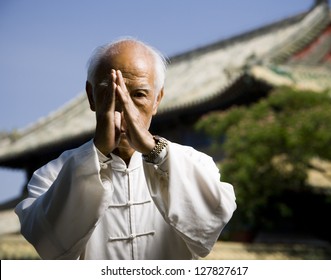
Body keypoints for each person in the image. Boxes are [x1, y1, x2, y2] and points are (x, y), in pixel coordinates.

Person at [15, 38, 236, 260]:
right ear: (91, 97)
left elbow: (211, 222)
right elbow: (48, 244)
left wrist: (155, 150)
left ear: (157, 100)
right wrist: (97, 154)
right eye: (109, 93)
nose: (123, 111)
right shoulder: (52, 175)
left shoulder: (196, 164)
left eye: (139, 95)